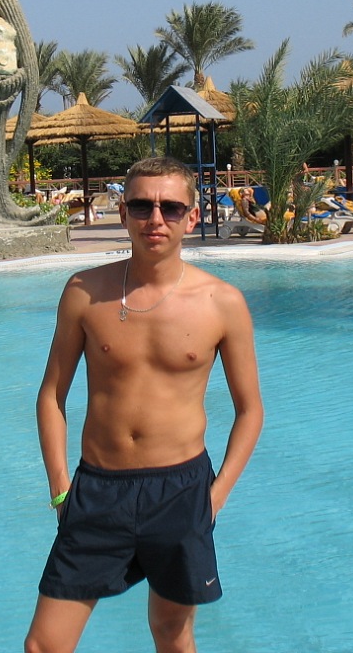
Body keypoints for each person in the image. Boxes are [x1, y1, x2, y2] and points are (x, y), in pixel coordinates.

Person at [25, 156, 264, 653]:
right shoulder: (84, 292)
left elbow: (250, 410)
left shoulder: (222, 303)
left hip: (181, 490)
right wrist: (60, 490)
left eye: (170, 207)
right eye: (141, 206)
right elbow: (52, 395)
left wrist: (215, 497)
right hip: (97, 489)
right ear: (123, 213)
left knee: (171, 635)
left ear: (191, 217)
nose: (155, 218)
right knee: (44, 644)